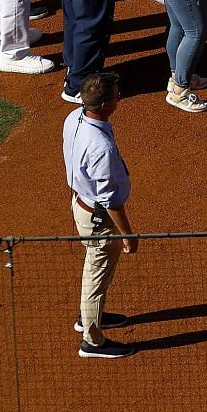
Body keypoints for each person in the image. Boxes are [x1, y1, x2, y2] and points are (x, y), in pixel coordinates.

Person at [63, 71, 138, 358]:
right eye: (117, 94)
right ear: (106, 104)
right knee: (96, 275)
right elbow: (111, 201)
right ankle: (91, 340)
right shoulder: (101, 148)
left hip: (80, 205)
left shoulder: (73, 118)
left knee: (96, 270)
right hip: (98, 220)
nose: (120, 96)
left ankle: (90, 314)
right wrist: (127, 235)